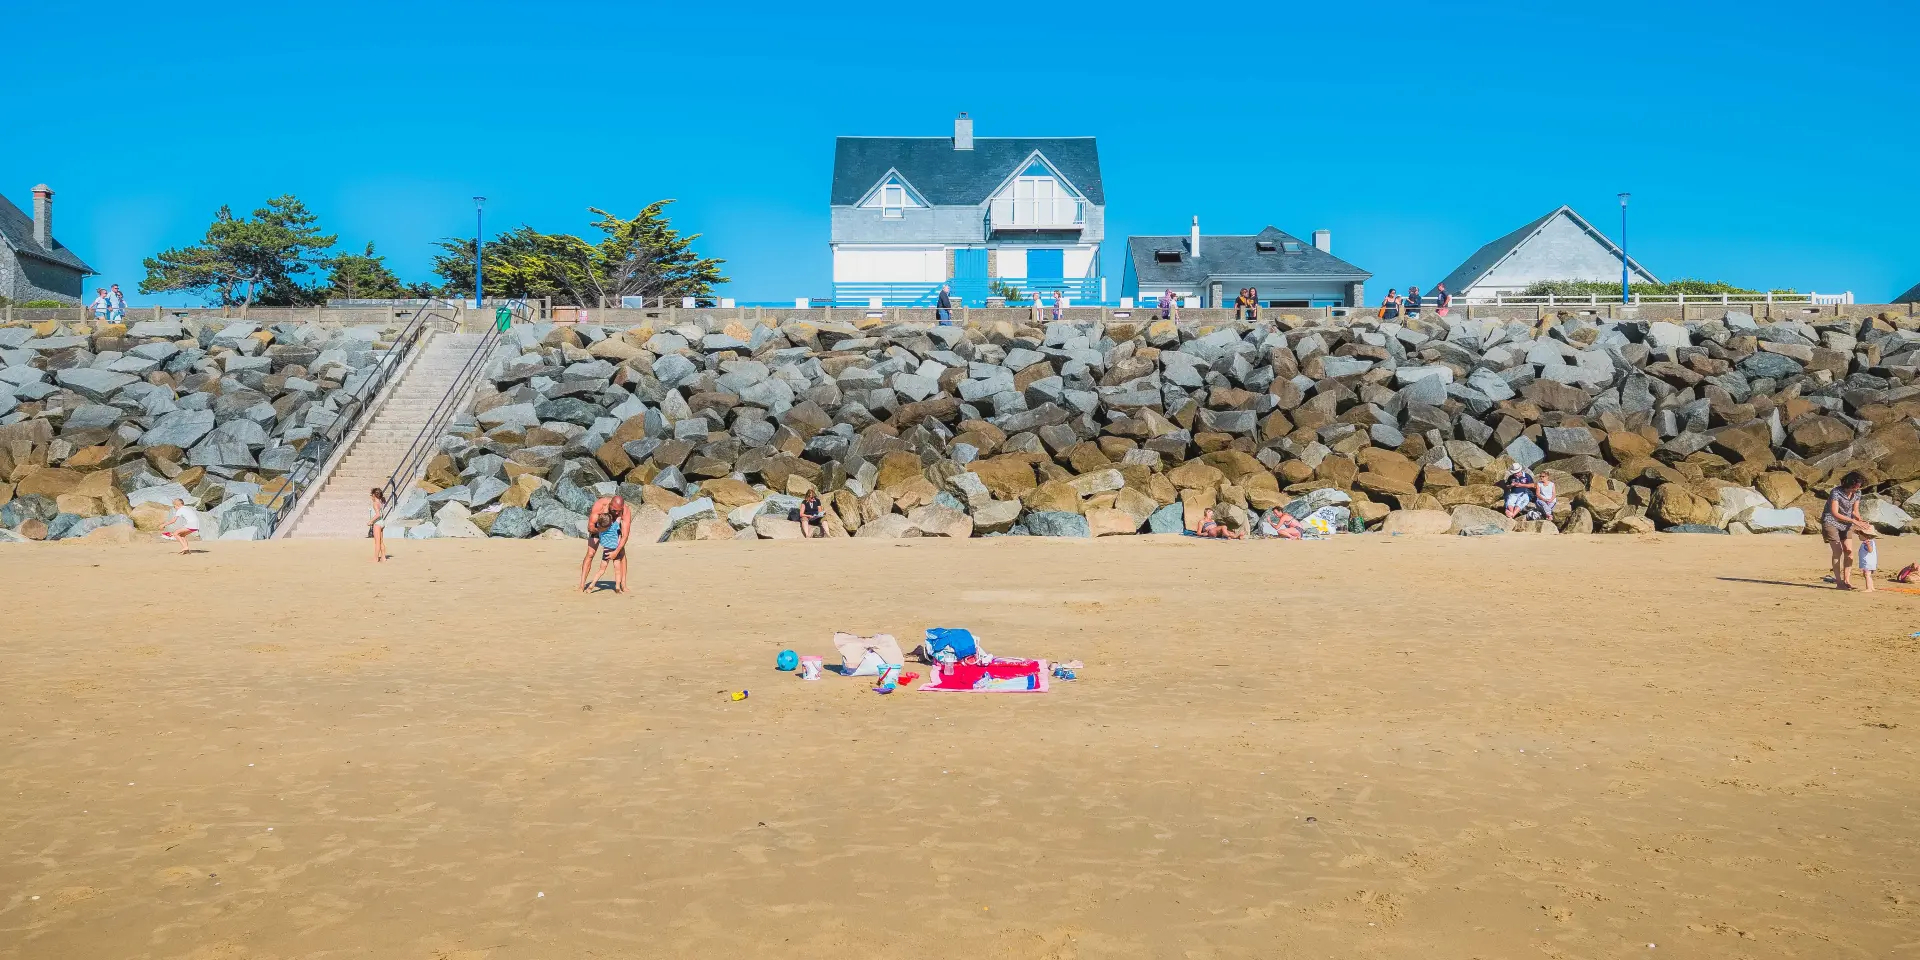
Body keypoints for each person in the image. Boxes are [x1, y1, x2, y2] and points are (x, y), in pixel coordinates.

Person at [1823, 471, 1870, 590]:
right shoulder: (1836, 492)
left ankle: (1847, 581)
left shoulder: (1858, 493)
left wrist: (1860, 520)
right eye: (1856, 486)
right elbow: (1834, 513)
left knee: (1849, 552)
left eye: (1859, 485)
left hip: (1847, 524)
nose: (1858, 488)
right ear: (1849, 483)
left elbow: (1855, 511)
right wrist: (1853, 521)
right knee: (1837, 551)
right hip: (1831, 522)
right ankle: (1839, 583)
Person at [580, 495, 632, 593]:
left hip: (614, 531)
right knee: (590, 554)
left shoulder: (625, 511)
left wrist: (616, 552)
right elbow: (590, 527)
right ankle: (581, 585)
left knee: (622, 554)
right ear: (610, 505)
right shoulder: (600, 505)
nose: (617, 513)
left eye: (619, 511)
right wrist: (601, 531)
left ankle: (623, 585)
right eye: (614, 510)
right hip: (599, 528)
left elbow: (625, 536)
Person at [368, 487, 387, 562]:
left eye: (371, 495)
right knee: (381, 541)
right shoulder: (381, 502)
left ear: (373, 495)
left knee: (377, 542)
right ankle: (383, 557)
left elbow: (378, 514)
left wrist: (371, 521)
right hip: (382, 522)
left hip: (377, 523)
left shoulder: (375, 503)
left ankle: (375, 558)